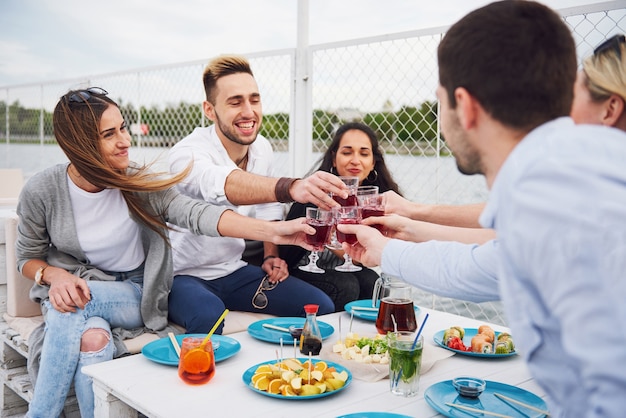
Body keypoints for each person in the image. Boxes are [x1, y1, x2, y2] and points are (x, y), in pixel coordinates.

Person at [339, 3, 626, 416]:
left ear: (465, 105)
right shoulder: (573, 178)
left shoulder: (555, 194)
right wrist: (387, 248)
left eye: (439, 103)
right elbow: (482, 265)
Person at [15, 87, 318, 418]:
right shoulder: (42, 190)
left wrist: (273, 231)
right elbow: (26, 257)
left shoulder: (140, 183)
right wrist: (53, 275)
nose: (124, 140)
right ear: (78, 145)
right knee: (92, 341)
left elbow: (196, 213)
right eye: (108, 134)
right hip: (82, 288)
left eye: (123, 128)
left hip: (136, 292)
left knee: (66, 310)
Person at [167, 55, 335, 334]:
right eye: (235, 102)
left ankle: (284, 375)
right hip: (183, 276)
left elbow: (267, 206)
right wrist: (291, 186)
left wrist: (271, 256)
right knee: (209, 317)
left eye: (254, 100)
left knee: (319, 307)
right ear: (210, 110)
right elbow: (221, 183)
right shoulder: (187, 153)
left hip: (233, 270)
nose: (248, 111)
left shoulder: (262, 148)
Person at [280, 122, 401, 310]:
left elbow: (368, 255)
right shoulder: (314, 193)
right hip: (302, 268)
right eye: (347, 152)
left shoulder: (375, 201)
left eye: (364, 153)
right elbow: (286, 251)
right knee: (346, 285)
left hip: (345, 266)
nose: (355, 160)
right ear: (334, 159)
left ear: (373, 163)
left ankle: (362, 338)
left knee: (374, 283)